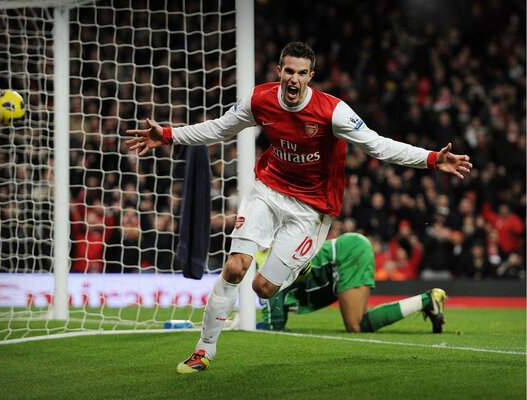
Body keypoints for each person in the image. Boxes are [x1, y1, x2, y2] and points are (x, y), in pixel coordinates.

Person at [125, 42, 472, 373]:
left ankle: (300, 264)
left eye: (301, 73)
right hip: (269, 189)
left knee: (264, 289)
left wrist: (430, 159)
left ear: (311, 76)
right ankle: (204, 349)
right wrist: (168, 135)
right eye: (288, 71)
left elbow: (378, 146)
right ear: (279, 70)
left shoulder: (332, 112)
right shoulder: (260, 100)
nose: (294, 79)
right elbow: (219, 129)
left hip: (310, 207)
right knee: (234, 268)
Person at [255, 232, 447, 334]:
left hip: (347, 253)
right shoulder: (271, 261)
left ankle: (426, 300)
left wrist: (248, 324)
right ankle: (426, 301)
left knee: (355, 326)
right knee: (360, 323)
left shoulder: (266, 273)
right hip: (350, 248)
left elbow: (274, 325)